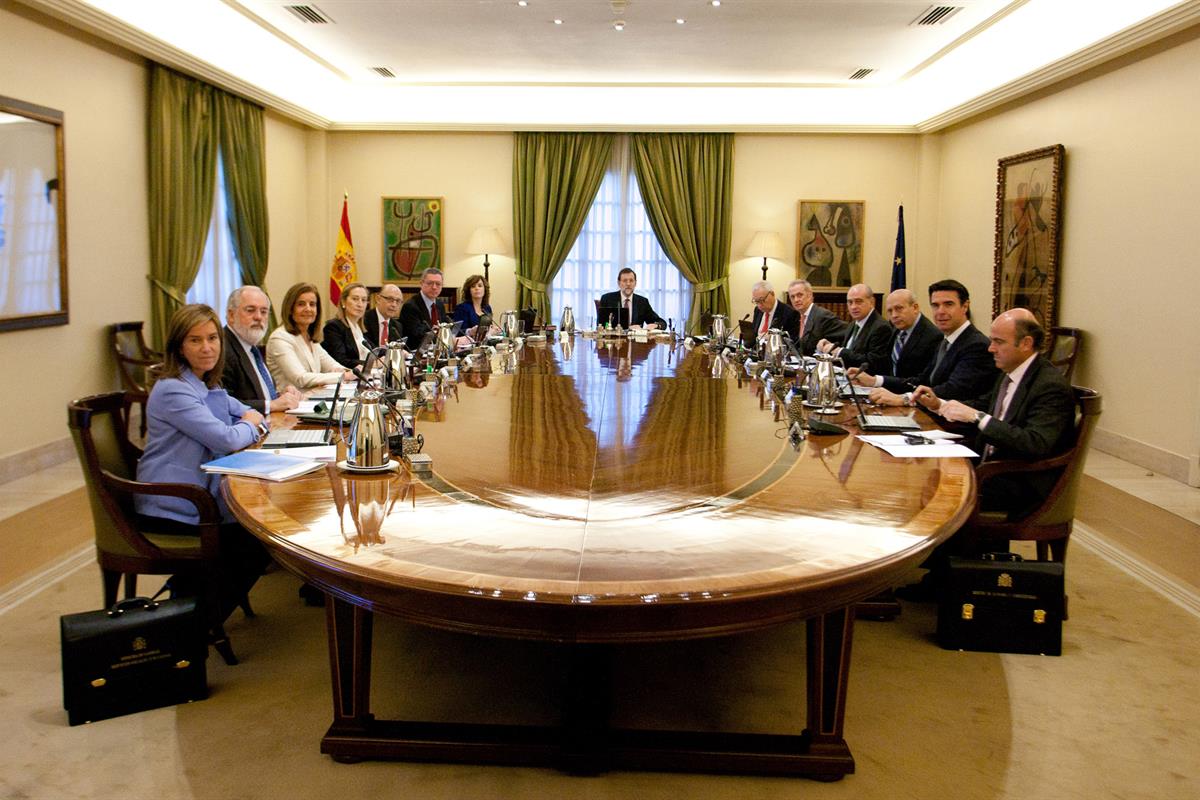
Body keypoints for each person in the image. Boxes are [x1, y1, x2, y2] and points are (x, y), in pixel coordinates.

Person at [135, 304, 270, 619]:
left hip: (199, 492)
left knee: (254, 536)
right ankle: (196, 623)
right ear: (179, 346)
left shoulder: (207, 382)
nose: (207, 347)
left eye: (212, 338)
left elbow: (244, 413)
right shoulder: (173, 390)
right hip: (172, 501)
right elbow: (225, 438)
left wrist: (250, 422)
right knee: (255, 542)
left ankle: (192, 603)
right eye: (195, 340)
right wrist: (251, 425)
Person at [913, 308, 1076, 519]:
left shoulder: (1050, 386)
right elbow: (983, 405)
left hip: (1021, 482)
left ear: (1026, 343)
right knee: (922, 474)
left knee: (933, 494)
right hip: (992, 469)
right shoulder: (1009, 373)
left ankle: (953, 551)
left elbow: (1035, 443)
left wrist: (977, 417)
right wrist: (939, 405)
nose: (990, 349)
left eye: (999, 342)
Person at [866, 279, 998, 407]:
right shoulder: (945, 341)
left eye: (948, 304)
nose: (940, 311)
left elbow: (953, 390)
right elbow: (922, 380)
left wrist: (904, 399)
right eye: (935, 305)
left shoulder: (976, 345)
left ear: (965, 306)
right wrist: (876, 381)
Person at [221, 286, 302, 414]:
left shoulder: (251, 346)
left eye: (264, 312)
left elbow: (258, 393)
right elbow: (223, 403)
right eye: (250, 310)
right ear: (231, 315)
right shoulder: (222, 349)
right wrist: (271, 405)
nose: (258, 317)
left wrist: (280, 395)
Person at [265, 282, 356, 389]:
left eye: (312, 304)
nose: (308, 309)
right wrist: (342, 376)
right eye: (301, 304)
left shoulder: (310, 337)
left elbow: (332, 366)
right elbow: (301, 378)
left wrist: (354, 372)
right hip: (292, 403)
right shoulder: (280, 338)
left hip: (313, 398)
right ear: (290, 308)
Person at [849, 288, 941, 387]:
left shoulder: (933, 336)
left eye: (899, 308)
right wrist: (863, 374)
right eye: (890, 311)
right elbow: (888, 366)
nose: (894, 315)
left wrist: (876, 381)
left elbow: (922, 381)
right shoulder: (896, 328)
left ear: (915, 308)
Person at [817, 283, 891, 374]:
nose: (853, 307)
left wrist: (839, 351)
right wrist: (831, 347)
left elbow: (872, 363)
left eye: (858, 301)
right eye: (850, 302)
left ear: (872, 302)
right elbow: (851, 351)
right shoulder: (853, 324)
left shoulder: (881, 327)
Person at [787, 279, 845, 355]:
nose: (796, 300)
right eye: (792, 297)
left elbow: (847, 334)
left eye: (799, 295)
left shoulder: (823, 316)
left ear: (810, 295)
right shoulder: (798, 316)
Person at [400, 268, 453, 349]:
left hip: (437, 350)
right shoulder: (410, 306)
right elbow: (417, 336)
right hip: (416, 353)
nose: (434, 287)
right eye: (430, 283)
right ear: (421, 283)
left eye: (438, 284)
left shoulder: (439, 304)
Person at [598, 268, 666, 330]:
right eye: (625, 281)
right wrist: (627, 328)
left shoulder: (642, 302)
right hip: (615, 341)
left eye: (631, 281)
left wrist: (656, 325)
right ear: (619, 283)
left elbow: (662, 322)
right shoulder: (607, 299)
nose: (628, 284)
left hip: (636, 342)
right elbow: (602, 325)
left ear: (635, 283)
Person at [323, 282, 371, 368]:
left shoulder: (360, 328)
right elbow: (340, 360)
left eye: (363, 300)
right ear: (343, 302)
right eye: (355, 299)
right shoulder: (333, 327)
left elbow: (374, 351)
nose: (360, 304)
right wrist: (369, 364)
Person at [746, 280, 799, 345]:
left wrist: (772, 339)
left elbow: (792, 341)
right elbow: (754, 335)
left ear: (772, 294)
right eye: (756, 301)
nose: (759, 305)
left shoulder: (789, 313)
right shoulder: (757, 310)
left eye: (762, 300)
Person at [362, 283, 404, 348]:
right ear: (378, 299)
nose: (394, 305)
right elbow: (367, 348)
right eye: (390, 299)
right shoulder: (364, 320)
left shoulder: (397, 326)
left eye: (398, 301)